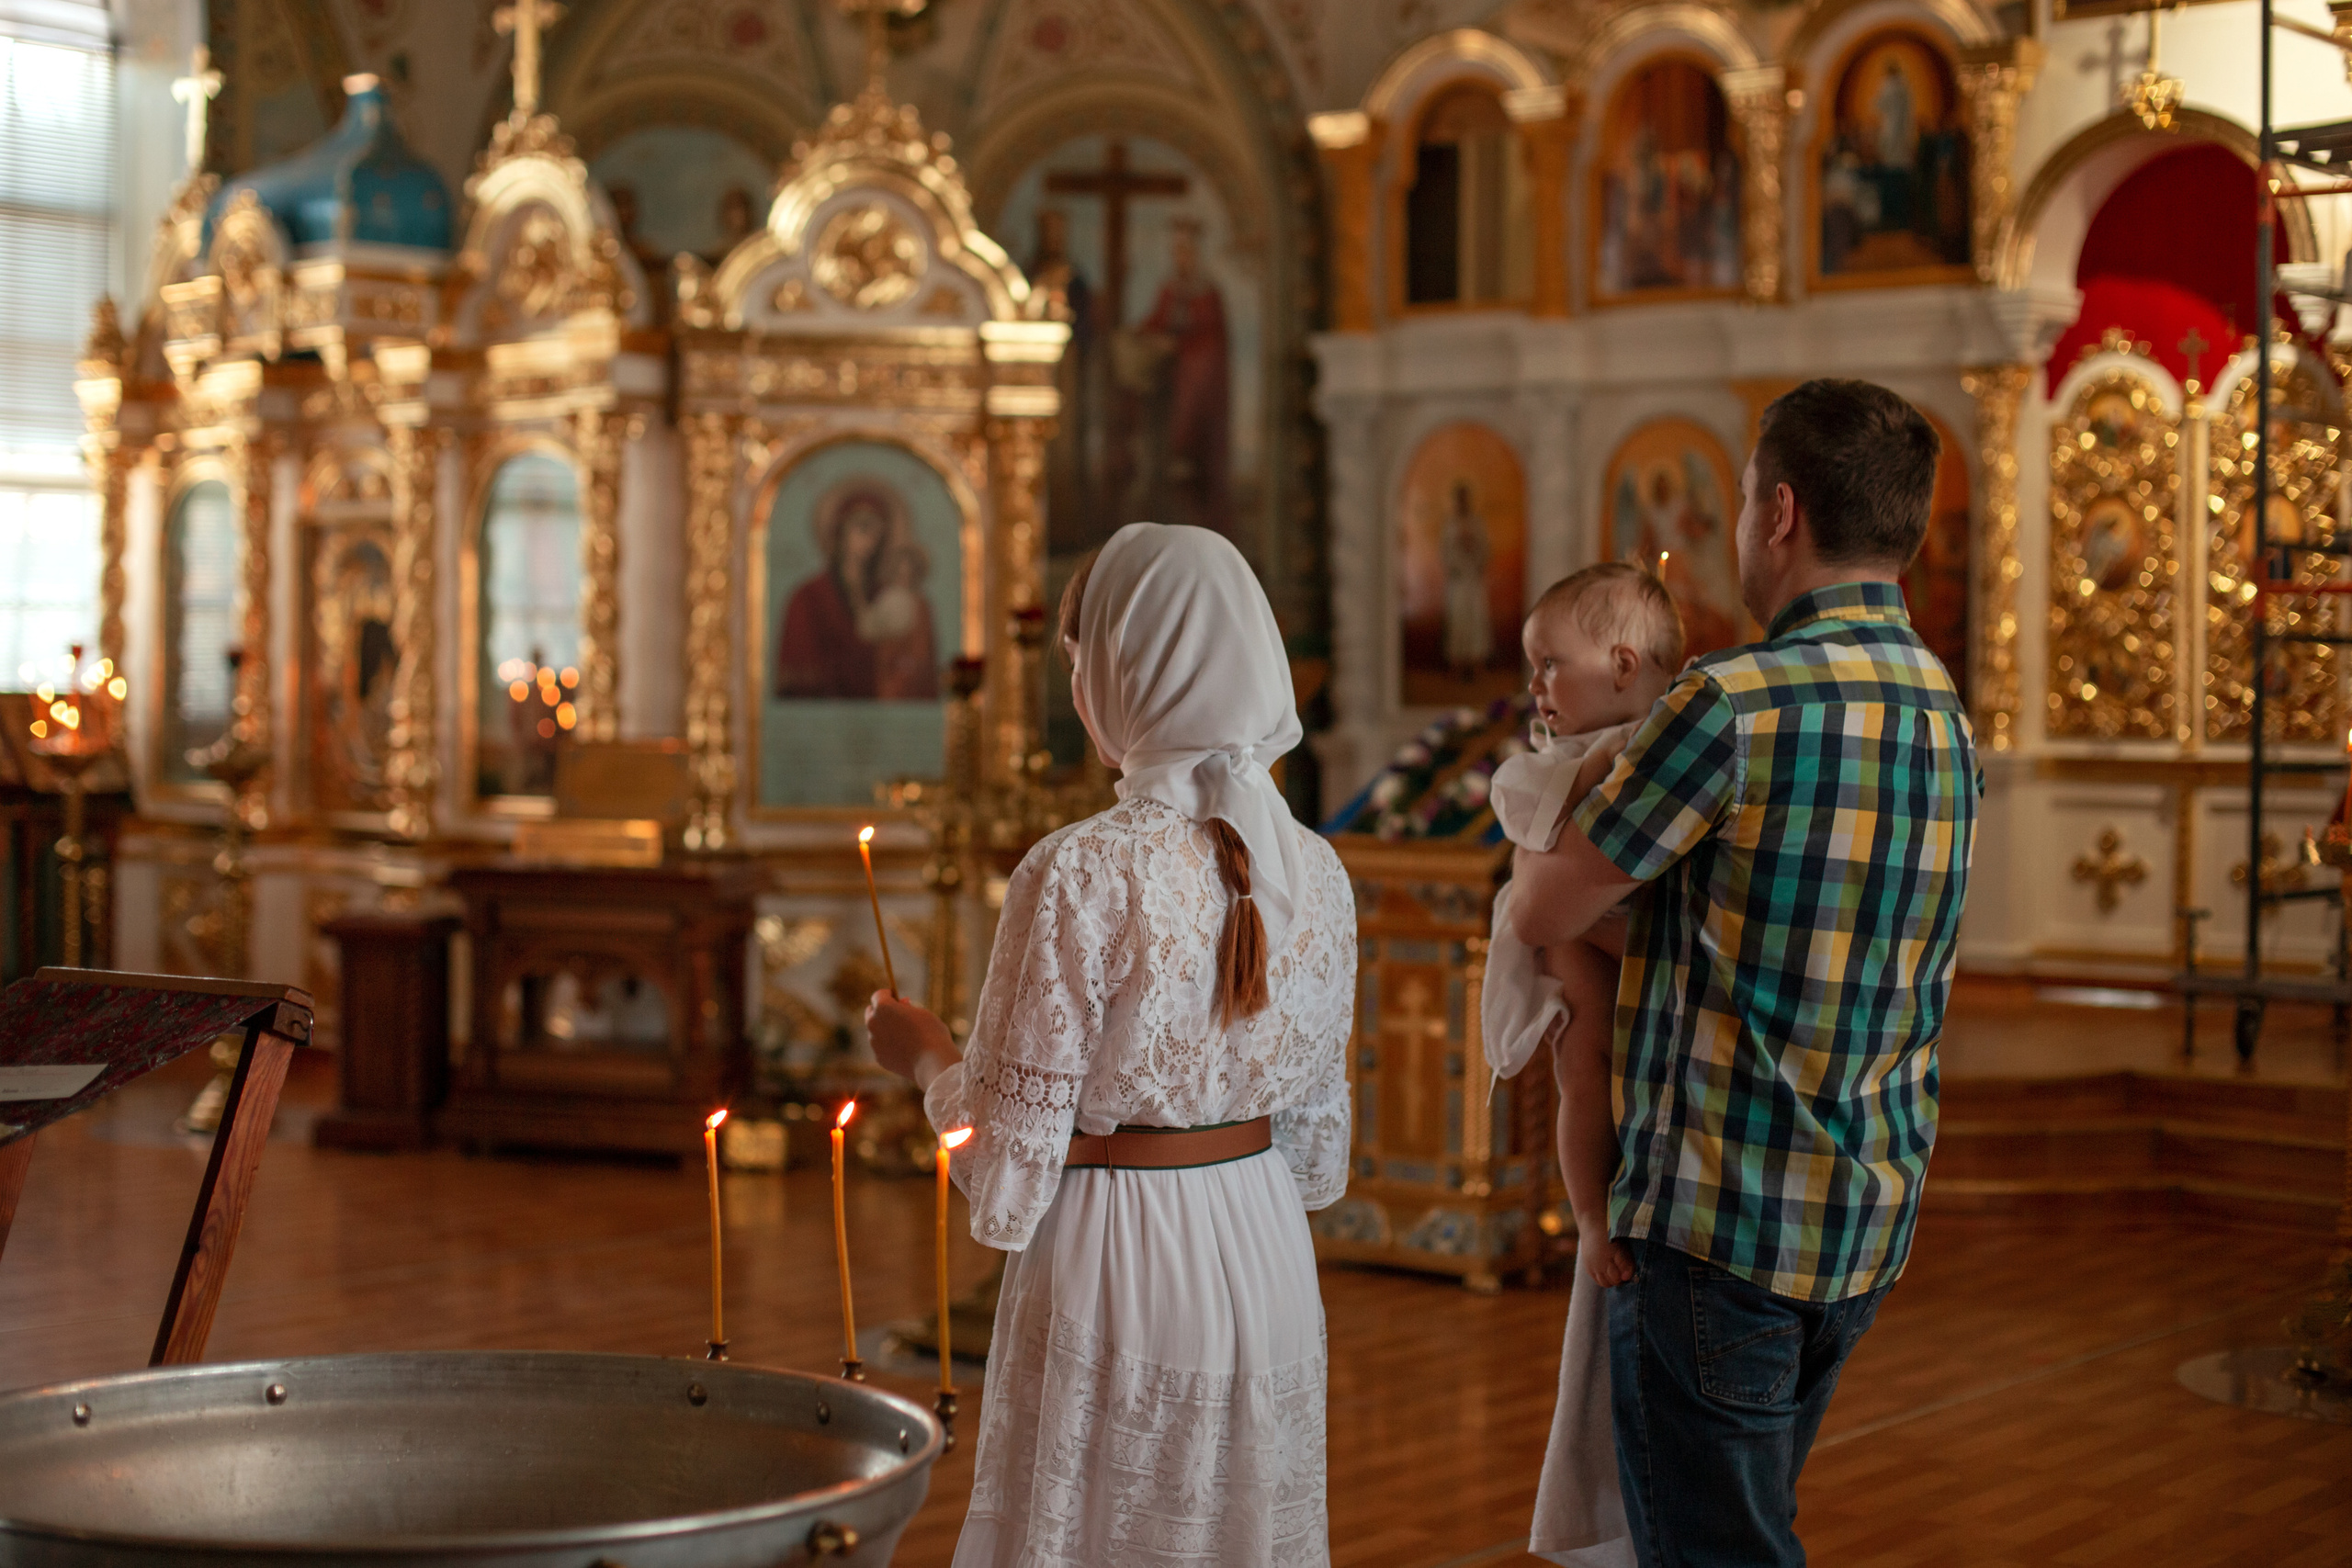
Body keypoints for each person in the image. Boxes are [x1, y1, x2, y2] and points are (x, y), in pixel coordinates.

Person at [1510, 378, 1979, 1567]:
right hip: (1864, 1219)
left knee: (1712, 1548)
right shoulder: (1943, 709)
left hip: (1721, 1226)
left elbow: (1544, 900)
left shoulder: (1733, 703)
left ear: (1777, 512)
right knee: (1741, 1522)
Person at [865, 522, 1356, 1567]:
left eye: (1081, 663)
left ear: (1134, 665)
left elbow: (1003, 1164)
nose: (1081, 690)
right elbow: (1314, 1149)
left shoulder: (1079, 868)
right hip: (1263, 1240)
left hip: (1119, 1248)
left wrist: (920, 1057)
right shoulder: (1318, 867)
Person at [1480, 564, 1682, 1568]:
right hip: (1570, 942)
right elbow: (1529, 820)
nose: (1538, 687)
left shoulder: (1680, 733)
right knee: (1582, 1065)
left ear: (1621, 663)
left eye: (1550, 663)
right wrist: (1602, 772)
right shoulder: (1561, 755)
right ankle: (1591, 1215)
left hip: (1639, 941)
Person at [1441, 482, 1495, 681]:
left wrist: (1472, 546)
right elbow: (1445, 552)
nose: (1463, 502)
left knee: (1476, 621)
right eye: (1460, 498)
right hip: (1458, 580)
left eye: (1465, 497)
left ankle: (1477, 663)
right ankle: (1456, 664)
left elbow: (1485, 549)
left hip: (1473, 579)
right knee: (1458, 621)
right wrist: (1457, 550)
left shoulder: (1477, 523)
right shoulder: (1450, 525)